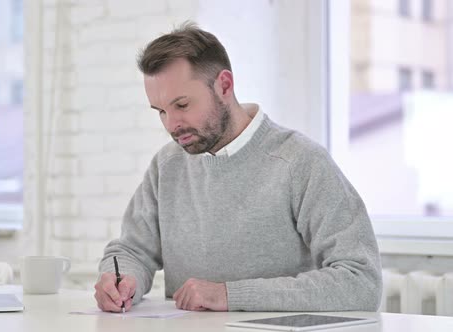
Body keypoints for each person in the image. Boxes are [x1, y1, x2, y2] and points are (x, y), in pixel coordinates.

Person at [94, 22, 382, 312]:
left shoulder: (300, 162)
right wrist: (122, 279)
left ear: (224, 85)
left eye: (181, 105)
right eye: (161, 112)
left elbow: (361, 281)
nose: (171, 125)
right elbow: (132, 250)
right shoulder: (167, 165)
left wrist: (231, 295)